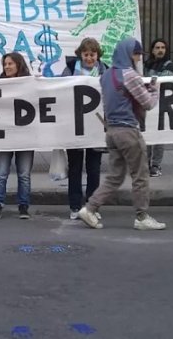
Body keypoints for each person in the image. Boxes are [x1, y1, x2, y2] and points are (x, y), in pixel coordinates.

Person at [78, 37, 166, 231]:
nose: (138, 58)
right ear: (128, 54)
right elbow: (148, 104)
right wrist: (154, 90)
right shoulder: (130, 75)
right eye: (136, 54)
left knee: (115, 176)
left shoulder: (107, 75)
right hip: (128, 131)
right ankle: (142, 216)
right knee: (140, 175)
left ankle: (90, 208)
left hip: (111, 131)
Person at [61, 38, 108, 220]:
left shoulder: (104, 70)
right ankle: (74, 206)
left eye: (92, 54)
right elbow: (58, 89)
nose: (89, 58)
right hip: (75, 127)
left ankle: (92, 207)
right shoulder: (70, 70)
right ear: (80, 54)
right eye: (86, 54)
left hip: (96, 128)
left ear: (98, 55)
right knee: (75, 168)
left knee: (94, 169)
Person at [0, 52, 34, 220]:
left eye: (10, 64)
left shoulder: (30, 84)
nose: (7, 67)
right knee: (1, 173)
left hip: (25, 136)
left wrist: (41, 83)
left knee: (24, 174)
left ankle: (23, 206)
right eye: (5, 64)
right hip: (4, 135)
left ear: (18, 65)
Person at [143, 38, 173, 177]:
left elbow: (161, 82)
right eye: (157, 47)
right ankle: (145, 164)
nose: (160, 50)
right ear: (152, 50)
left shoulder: (169, 66)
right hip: (148, 105)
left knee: (158, 137)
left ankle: (155, 165)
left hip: (163, 105)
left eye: (163, 47)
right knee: (147, 137)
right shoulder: (146, 64)